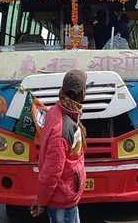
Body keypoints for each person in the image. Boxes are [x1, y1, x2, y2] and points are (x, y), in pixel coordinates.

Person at [32, 69, 88, 223]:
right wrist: (41, 201)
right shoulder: (63, 128)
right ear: (81, 93)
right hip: (62, 200)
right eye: (85, 89)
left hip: (66, 195)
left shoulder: (57, 111)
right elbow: (51, 173)